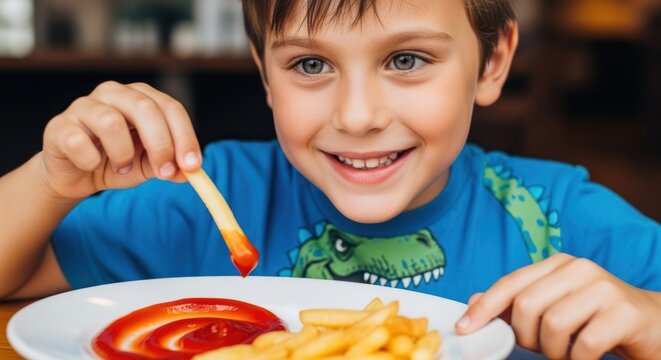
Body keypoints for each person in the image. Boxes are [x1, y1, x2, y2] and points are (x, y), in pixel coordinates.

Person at [0, 0, 659, 358]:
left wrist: (646, 319)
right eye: (310, 65)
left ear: (491, 63)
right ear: (263, 72)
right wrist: (54, 179)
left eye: (406, 59)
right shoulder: (210, 198)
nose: (357, 116)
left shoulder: (556, 215)